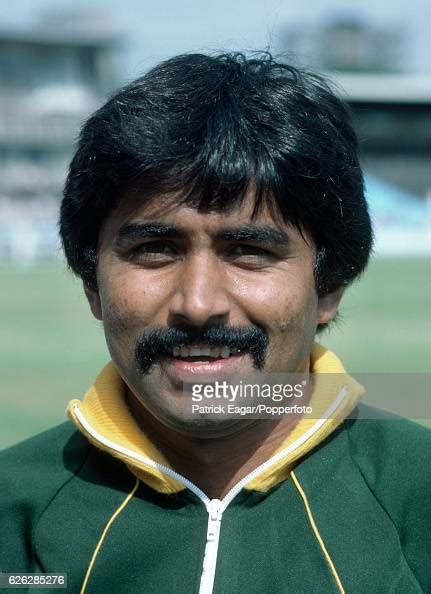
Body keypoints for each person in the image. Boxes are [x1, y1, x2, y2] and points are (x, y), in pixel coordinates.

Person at [1, 52, 430, 594]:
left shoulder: (419, 496)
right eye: (155, 249)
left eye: (248, 250)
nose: (199, 303)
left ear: (329, 287)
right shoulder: (11, 512)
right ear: (93, 284)